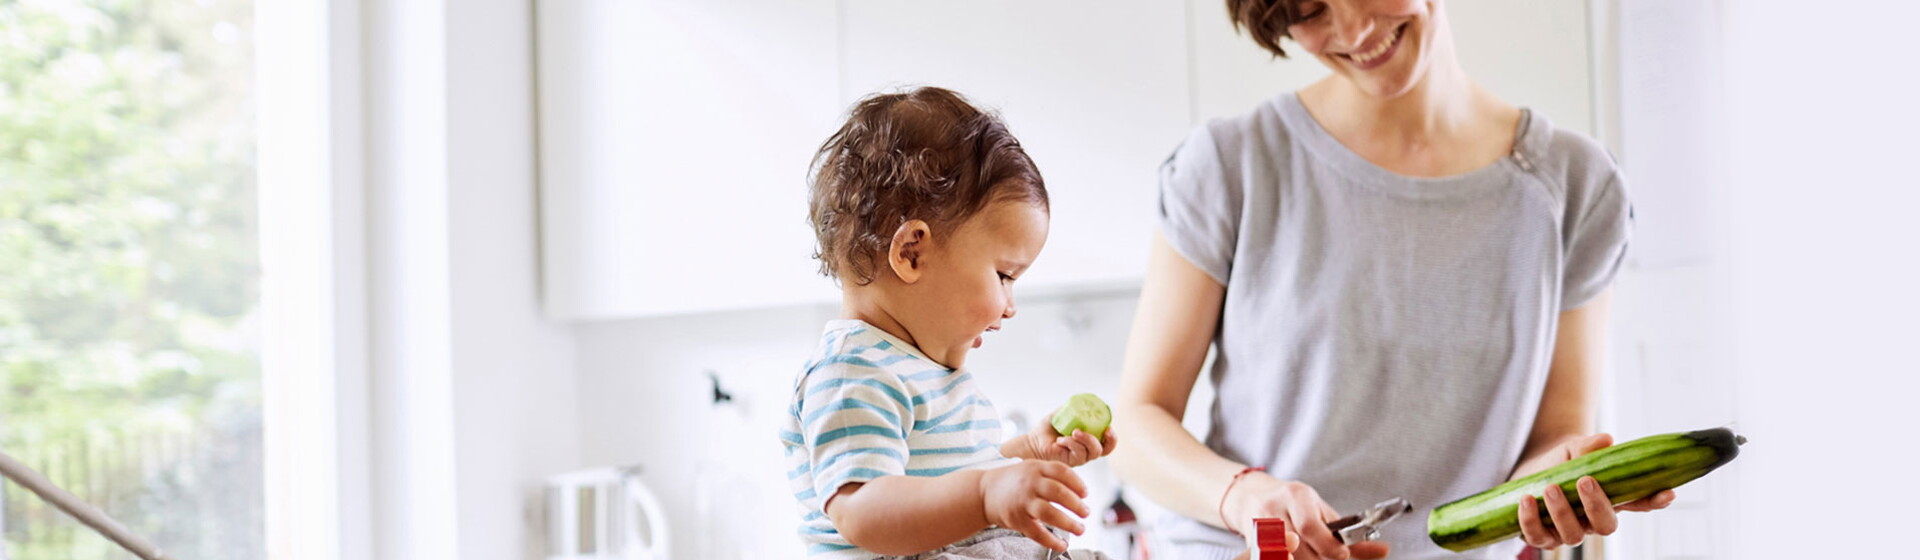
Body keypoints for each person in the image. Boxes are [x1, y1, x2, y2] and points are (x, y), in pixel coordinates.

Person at [1109, 2, 1665, 559]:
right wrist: (1244, 497)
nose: (1354, 32)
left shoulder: (1577, 186)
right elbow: (1138, 425)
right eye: (1310, 11)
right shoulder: (1232, 164)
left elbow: (1557, 432)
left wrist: (1562, 481)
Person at [780, 87, 1120, 560]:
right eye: (1003, 275)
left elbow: (944, 487)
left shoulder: (925, 371)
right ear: (911, 252)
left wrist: (1028, 455)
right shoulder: (853, 372)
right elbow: (861, 510)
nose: (1009, 305)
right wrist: (987, 495)